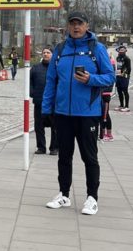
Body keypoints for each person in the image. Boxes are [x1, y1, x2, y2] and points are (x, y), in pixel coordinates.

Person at [41, 11, 115, 216]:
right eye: (72, 23)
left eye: (79, 24)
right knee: (64, 156)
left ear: (87, 25)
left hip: (88, 113)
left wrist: (91, 79)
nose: (75, 27)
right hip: (63, 113)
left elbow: (110, 78)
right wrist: (46, 110)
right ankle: (63, 194)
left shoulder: (97, 49)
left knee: (89, 157)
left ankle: (92, 198)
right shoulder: (60, 49)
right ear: (68, 26)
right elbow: (51, 81)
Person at [30, 47, 57, 154]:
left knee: (55, 127)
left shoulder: (57, 68)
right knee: (39, 126)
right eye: (44, 52)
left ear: (53, 54)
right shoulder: (36, 68)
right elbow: (29, 81)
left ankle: (54, 148)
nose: (45, 54)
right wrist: (32, 93)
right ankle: (41, 147)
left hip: (53, 103)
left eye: (48, 52)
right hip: (39, 101)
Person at [115, 45, 131, 112]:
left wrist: (124, 74)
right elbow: (118, 67)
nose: (121, 52)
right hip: (118, 75)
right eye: (120, 50)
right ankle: (121, 105)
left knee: (125, 91)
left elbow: (129, 69)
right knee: (119, 91)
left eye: (123, 50)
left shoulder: (127, 58)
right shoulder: (118, 58)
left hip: (124, 77)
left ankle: (127, 106)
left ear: (125, 51)